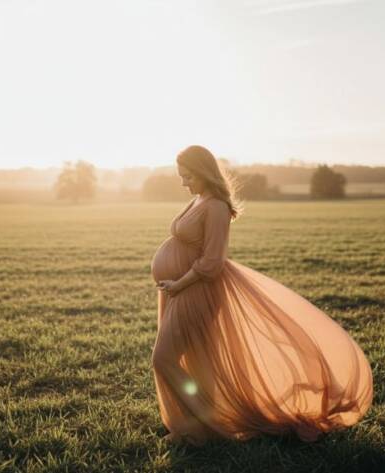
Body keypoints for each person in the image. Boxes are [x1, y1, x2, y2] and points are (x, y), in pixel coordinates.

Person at [150, 145, 373, 446]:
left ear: (203, 172)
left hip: (197, 290)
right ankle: (198, 428)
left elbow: (212, 261)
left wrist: (179, 283)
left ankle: (204, 427)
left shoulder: (215, 206)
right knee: (198, 363)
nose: (183, 182)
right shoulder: (199, 199)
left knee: (163, 358)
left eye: (187, 176)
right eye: (181, 176)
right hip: (182, 289)